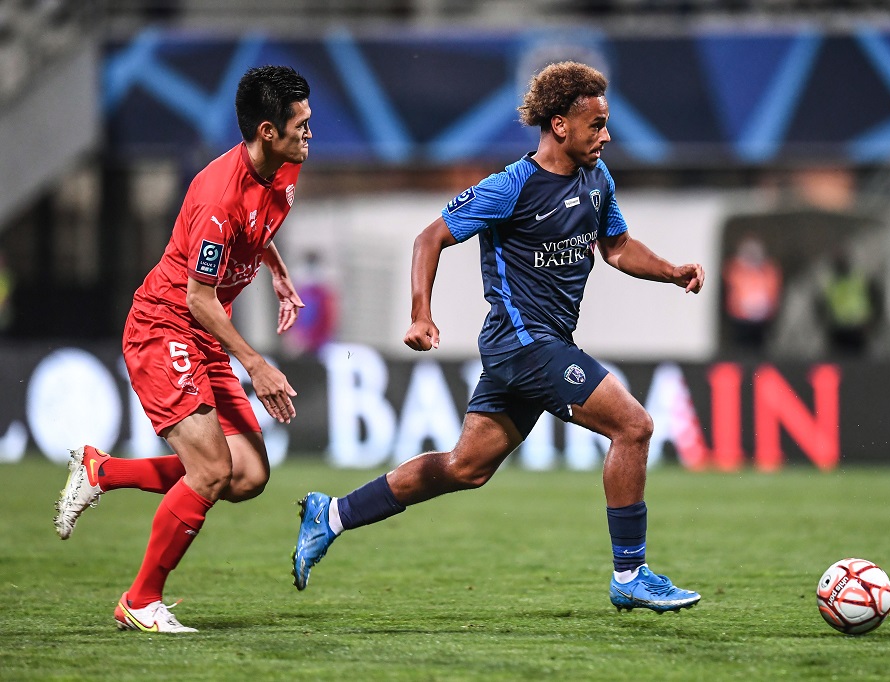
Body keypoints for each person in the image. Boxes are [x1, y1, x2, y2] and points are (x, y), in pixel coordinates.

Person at [291, 61, 706, 614]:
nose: (606, 136)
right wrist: (420, 314)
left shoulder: (597, 180)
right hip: (522, 342)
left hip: (541, 343)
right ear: (559, 125)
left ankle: (334, 514)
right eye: (597, 124)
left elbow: (617, 247)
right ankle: (630, 574)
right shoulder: (512, 186)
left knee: (466, 468)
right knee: (634, 426)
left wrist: (671, 271)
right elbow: (429, 238)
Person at [53, 65, 313, 633]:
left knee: (247, 475)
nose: (309, 132)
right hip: (165, 326)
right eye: (300, 124)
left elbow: (257, 227)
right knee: (213, 469)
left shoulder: (285, 164)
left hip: (204, 333)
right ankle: (140, 601)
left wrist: (277, 272)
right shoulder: (218, 198)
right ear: (268, 131)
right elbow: (198, 297)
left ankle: (103, 471)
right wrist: (255, 362)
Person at [721, 234, 782, 352]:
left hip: (763, 322)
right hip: (740, 321)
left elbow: (773, 291)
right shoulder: (736, 270)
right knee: (740, 349)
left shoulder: (768, 271)